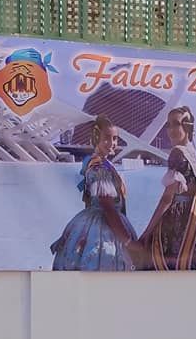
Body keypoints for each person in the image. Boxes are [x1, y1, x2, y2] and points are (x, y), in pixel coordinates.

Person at [131, 107, 196, 270]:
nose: (170, 130)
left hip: (178, 221)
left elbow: (166, 199)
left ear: (187, 127)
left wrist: (146, 233)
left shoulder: (177, 153)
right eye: (168, 125)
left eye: (176, 124)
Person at [51, 115, 138, 271]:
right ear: (96, 138)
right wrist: (127, 242)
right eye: (107, 138)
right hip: (103, 227)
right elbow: (108, 207)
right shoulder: (100, 167)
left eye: (115, 139)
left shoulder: (95, 162)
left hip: (88, 222)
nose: (112, 143)